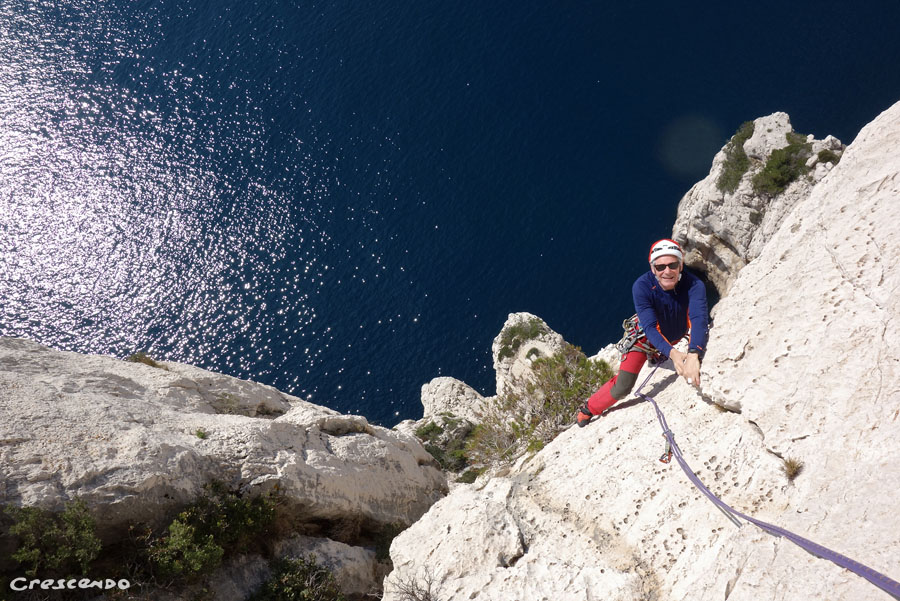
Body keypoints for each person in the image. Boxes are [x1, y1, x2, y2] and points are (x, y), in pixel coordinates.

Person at [577, 238, 709, 427]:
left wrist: (694, 353)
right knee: (623, 387)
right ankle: (588, 408)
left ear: (681, 265)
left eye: (672, 265)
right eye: (660, 267)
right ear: (653, 268)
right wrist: (673, 353)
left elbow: (698, 318)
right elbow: (650, 328)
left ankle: (655, 356)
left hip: (673, 333)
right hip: (644, 339)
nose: (667, 271)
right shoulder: (642, 286)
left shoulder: (694, 285)